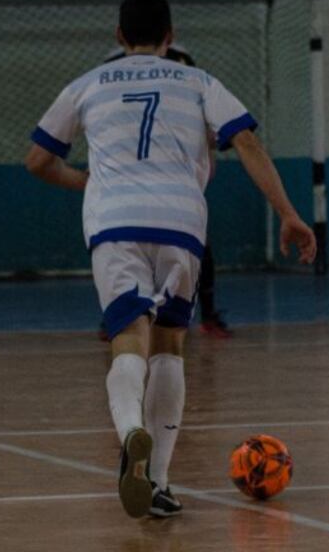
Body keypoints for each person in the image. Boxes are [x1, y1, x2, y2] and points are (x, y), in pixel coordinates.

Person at [25, 0, 315, 518]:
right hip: (182, 221)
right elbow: (247, 144)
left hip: (115, 220)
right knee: (169, 344)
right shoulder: (198, 81)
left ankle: (129, 431)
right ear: (170, 35)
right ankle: (157, 481)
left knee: (127, 336)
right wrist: (288, 213)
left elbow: (38, 160)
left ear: (119, 36)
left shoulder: (88, 84)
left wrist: (85, 181)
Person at [97, 43, 232, 341]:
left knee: (192, 246)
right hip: (132, 179)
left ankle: (204, 314)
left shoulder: (180, 61)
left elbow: (198, 113)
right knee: (125, 249)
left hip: (167, 175)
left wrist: (207, 148)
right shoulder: (112, 66)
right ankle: (118, 317)